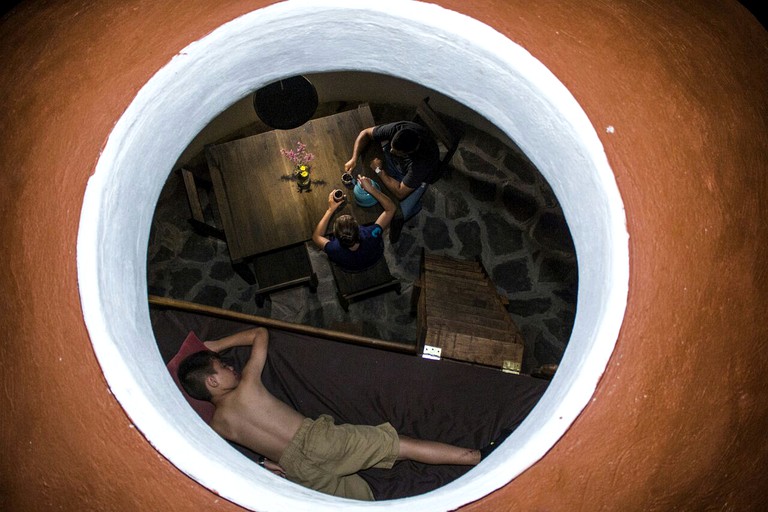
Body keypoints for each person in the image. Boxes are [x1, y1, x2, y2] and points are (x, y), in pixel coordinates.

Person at [177, 327, 483, 501]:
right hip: (318, 441)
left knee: (364, 503)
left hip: (298, 471)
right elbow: (260, 334)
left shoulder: (216, 426)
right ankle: (475, 458)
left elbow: (232, 458)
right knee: (400, 445)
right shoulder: (247, 385)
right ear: (213, 382)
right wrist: (219, 344)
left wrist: (263, 462)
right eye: (223, 367)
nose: (231, 366)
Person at [344, 120, 440, 222]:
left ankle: (414, 206)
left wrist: (378, 170)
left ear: (409, 152)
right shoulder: (399, 129)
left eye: (396, 152)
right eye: (392, 147)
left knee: (400, 213)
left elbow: (400, 192)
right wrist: (354, 158)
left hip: (418, 177)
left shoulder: (421, 163)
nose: (391, 151)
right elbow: (366, 133)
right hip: (399, 164)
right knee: (371, 168)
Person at [311, 175, 396, 272]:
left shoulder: (333, 249)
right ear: (358, 228)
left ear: (337, 236)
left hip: (349, 267)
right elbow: (391, 209)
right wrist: (371, 189)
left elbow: (316, 237)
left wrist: (330, 210)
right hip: (373, 257)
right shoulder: (372, 234)